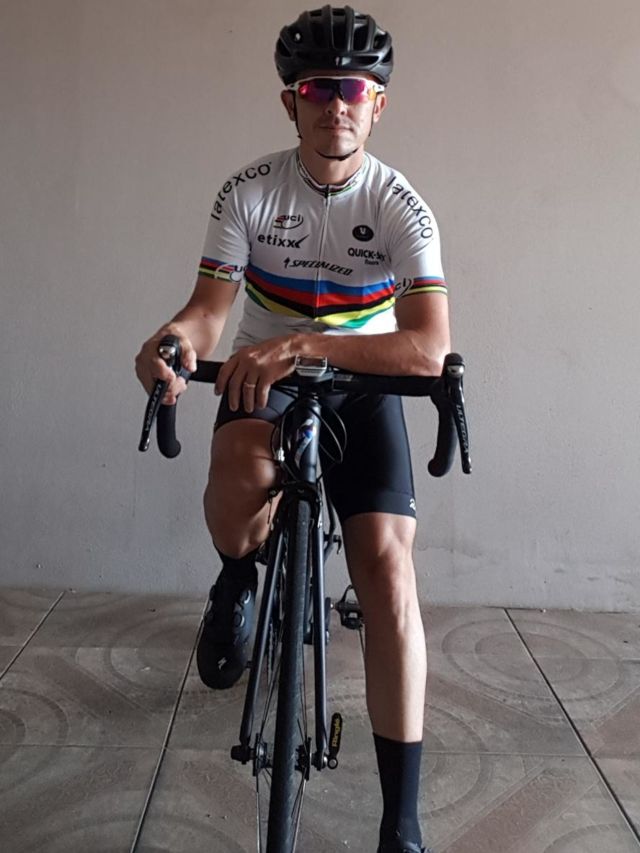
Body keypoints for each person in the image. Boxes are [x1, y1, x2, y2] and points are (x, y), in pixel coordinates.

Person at [136, 7, 449, 852]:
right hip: (260, 379)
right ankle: (239, 574)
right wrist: (172, 343)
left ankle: (402, 822)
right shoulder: (247, 192)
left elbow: (426, 347)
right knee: (237, 492)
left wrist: (305, 345)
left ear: (376, 104)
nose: (335, 104)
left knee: (388, 574)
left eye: (352, 89)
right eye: (317, 89)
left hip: (363, 388)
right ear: (291, 102)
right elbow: (209, 313)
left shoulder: (402, 205)